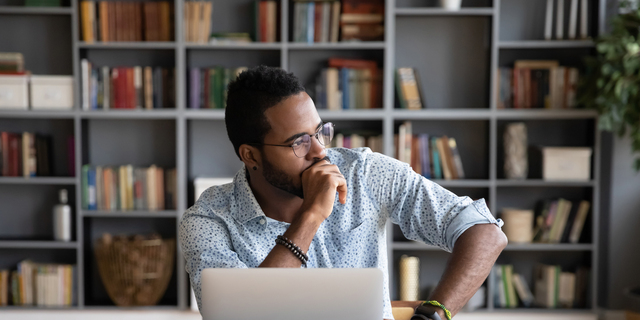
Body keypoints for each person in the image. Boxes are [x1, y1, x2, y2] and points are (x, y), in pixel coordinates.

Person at [179, 65, 507, 320]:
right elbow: (241, 316)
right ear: (250, 155)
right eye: (298, 142)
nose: (321, 151)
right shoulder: (207, 222)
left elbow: (485, 232)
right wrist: (311, 216)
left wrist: (437, 311)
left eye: (320, 131)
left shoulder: (363, 172)